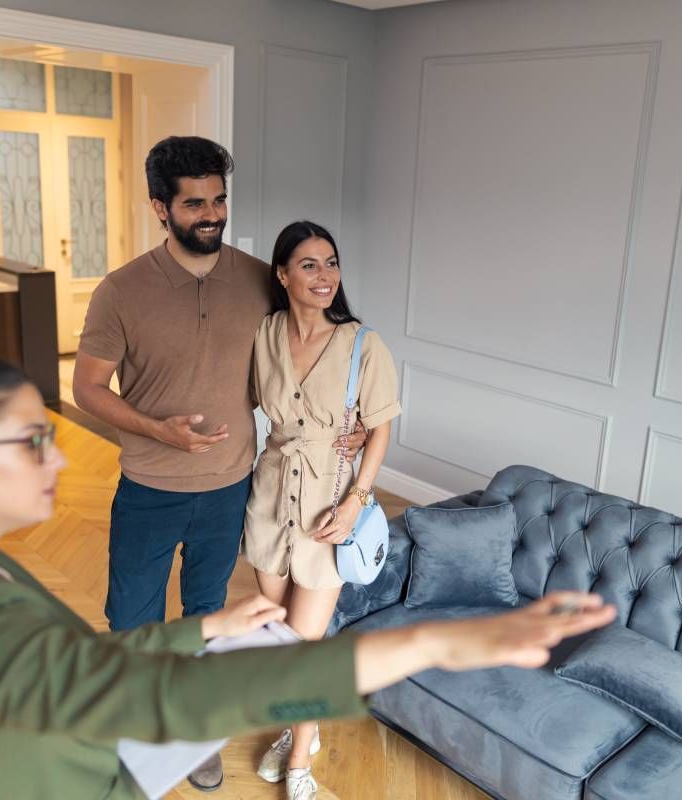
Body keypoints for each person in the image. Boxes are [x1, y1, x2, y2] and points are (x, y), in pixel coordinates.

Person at [0, 340, 617, 800]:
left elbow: (82, 665)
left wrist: (204, 625)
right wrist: (434, 645)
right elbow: (177, 698)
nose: (60, 454)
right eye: (31, 439)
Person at [72, 137, 363, 789]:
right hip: (149, 486)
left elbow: (313, 354)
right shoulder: (121, 291)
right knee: (132, 620)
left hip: (231, 485)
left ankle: (191, 732)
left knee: (208, 615)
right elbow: (85, 389)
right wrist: (156, 430)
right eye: (194, 202)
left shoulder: (262, 278)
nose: (211, 213)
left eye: (219, 199)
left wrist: (344, 429)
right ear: (159, 207)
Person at [242, 221, 398, 799]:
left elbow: (380, 431)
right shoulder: (265, 333)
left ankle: (301, 759)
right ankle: (294, 727)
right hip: (269, 499)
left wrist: (358, 498)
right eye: (309, 264)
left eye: (331, 263)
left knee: (304, 645)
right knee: (278, 635)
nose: (325, 276)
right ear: (282, 274)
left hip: (328, 511)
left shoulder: (363, 343)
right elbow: (264, 409)